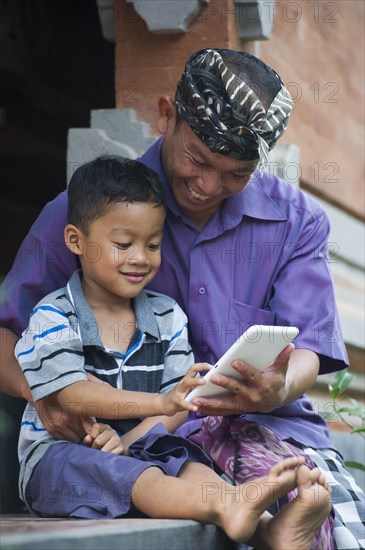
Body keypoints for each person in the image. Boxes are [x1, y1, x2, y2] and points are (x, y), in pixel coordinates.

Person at [0, 48, 363, 547]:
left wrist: (278, 389)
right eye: (198, 159)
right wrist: (45, 392)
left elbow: (307, 350)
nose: (209, 186)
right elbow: (8, 334)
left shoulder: (295, 222)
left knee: (325, 515)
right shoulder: (90, 216)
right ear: (166, 114)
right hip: (128, 440)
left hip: (262, 428)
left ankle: (270, 527)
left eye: (237, 173)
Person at [15, 155, 332, 548]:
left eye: (152, 244)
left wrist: (131, 440)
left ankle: (266, 526)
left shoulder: (167, 316)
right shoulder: (53, 315)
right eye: (123, 244)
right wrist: (160, 403)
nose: (140, 258)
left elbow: (181, 404)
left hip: (138, 446)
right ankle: (235, 510)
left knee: (185, 460)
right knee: (134, 475)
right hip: (59, 457)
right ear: (76, 241)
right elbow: (72, 394)